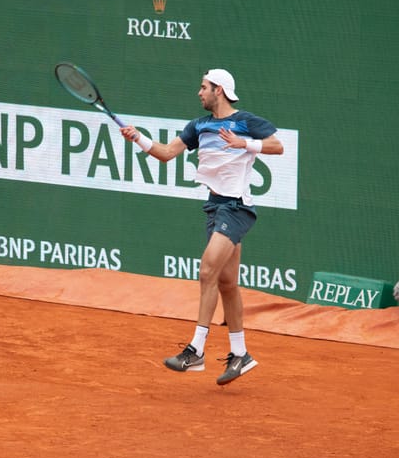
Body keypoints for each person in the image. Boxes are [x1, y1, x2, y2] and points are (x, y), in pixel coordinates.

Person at [120, 69, 283, 385]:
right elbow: (167, 153)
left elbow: (277, 146)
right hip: (215, 206)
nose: (199, 92)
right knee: (226, 283)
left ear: (219, 90)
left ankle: (196, 350)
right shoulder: (198, 126)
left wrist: (244, 144)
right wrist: (137, 137)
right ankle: (240, 354)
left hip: (236, 206)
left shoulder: (245, 122)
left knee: (207, 271)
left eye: (204, 87)